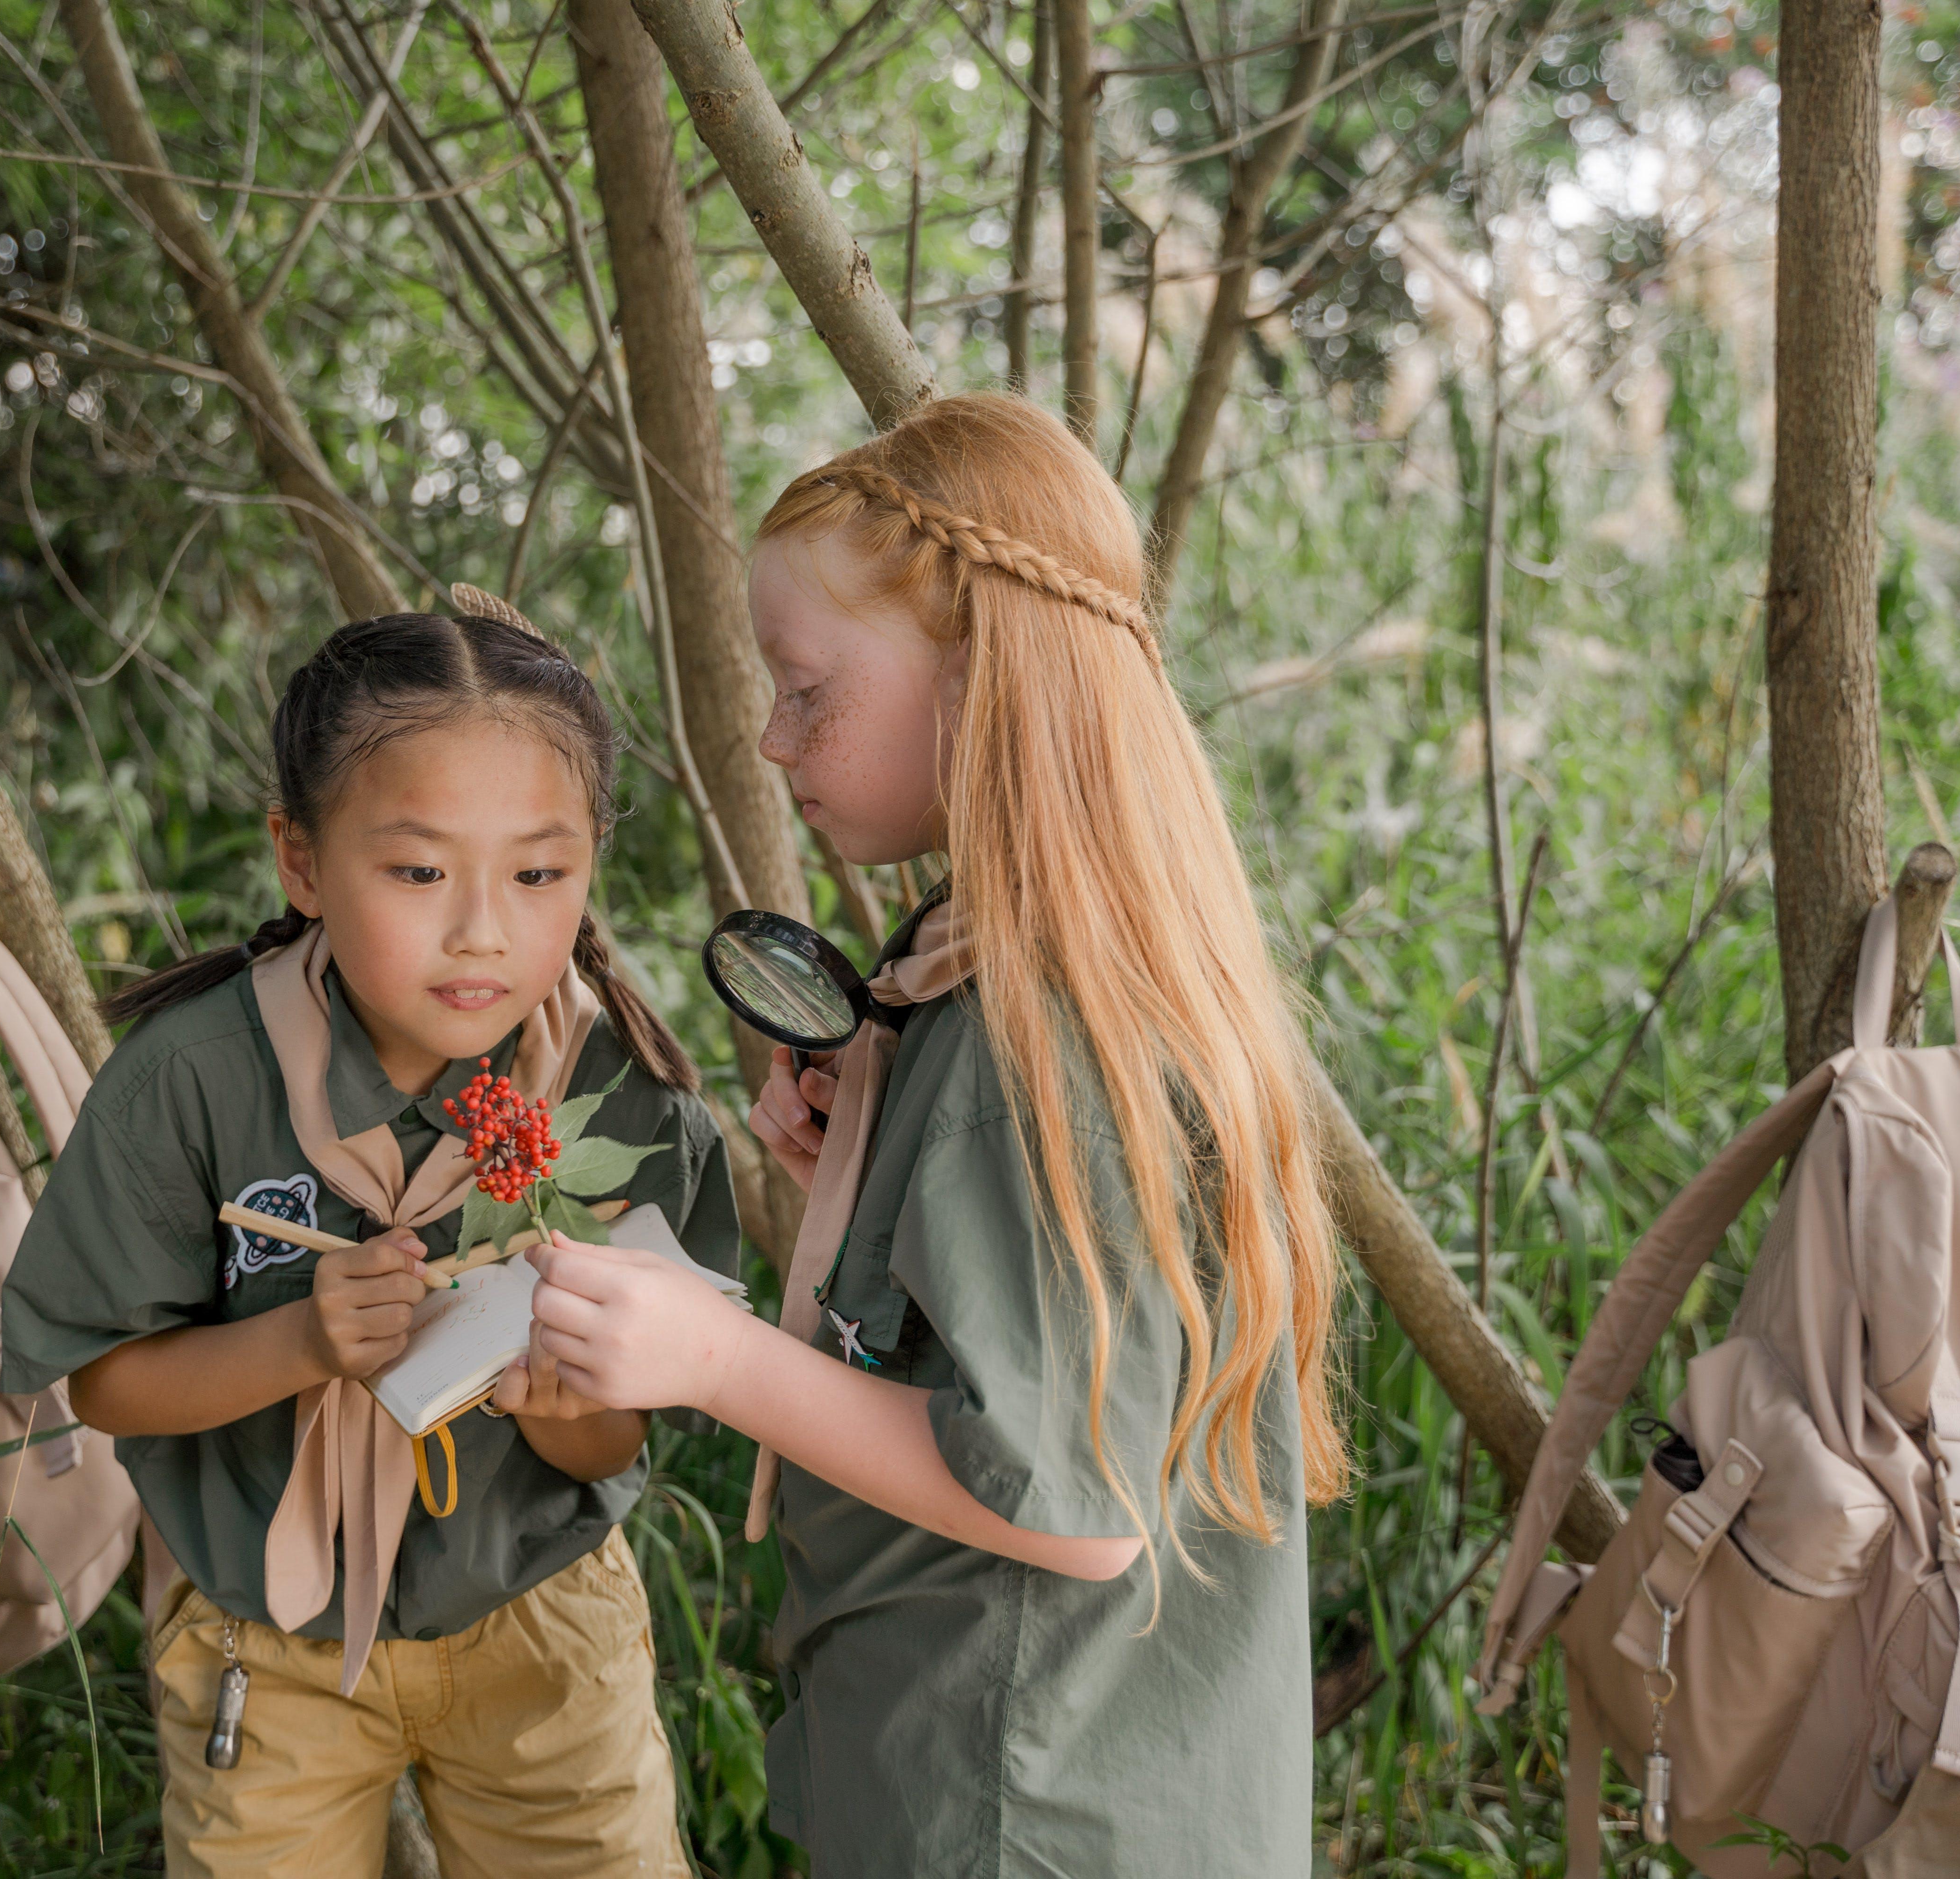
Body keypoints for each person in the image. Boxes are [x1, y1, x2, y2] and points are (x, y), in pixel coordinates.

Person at [524, 393, 1345, 1877]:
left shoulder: (1036, 1041)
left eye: (808, 690)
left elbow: (1075, 1505)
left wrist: (712, 1360)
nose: (772, 741)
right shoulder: (1059, 968)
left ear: (978, 684)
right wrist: (870, 1172)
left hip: (1016, 1809)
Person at [0, 609, 737, 1878]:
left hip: (542, 1625)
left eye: (539, 874)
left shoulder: (619, 1103)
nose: (483, 931)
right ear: (301, 861)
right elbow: (105, 1379)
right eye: (418, 872)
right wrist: (298, 1340)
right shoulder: (193, 1085)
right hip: (268, 1645)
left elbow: (620, 1434)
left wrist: (559, 1395)